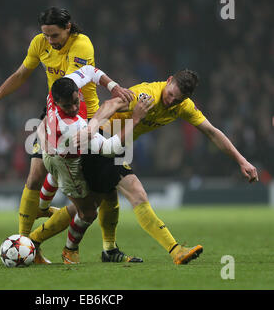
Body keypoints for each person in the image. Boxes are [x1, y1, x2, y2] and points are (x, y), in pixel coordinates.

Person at [29, 69, 259, 265]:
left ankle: (47, 241)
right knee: (134, 192)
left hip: (115, 145)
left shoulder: (183, 107)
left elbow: (212, 132)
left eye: (177, 100)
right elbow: (111, 103)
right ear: (168, 81)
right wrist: (92, 127)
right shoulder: (146, 95)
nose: (171, 102)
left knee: (96, 202)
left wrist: (241, 160)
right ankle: (175, 250)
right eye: (170, 95)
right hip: (102, 142)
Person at [0, 7, 135, 264]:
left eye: (54, 35)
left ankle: (100, 245)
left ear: (68, 27)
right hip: (57, 112)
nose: (49, 41)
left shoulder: (82, 45)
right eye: (46, 35)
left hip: (85, 117)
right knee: (35, 175)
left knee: (99, 192)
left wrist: (114, 89)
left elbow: (75, 83)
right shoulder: (39, 43)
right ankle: (27, 244)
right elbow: (21, 74)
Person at [37, 65, 152, 263]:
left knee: (53, 172)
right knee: (88, 211)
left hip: (50, 148)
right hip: (66, 164)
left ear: (76, 89)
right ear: (56, 102)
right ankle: (69, 250)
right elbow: (110, 149)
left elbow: (89, 70)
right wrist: (135, 119)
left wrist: (113, 86)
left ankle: (41, 206)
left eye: (75, 101)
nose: (73, 108)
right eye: (67, 106)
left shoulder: (61, 86)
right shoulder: (72, 126)